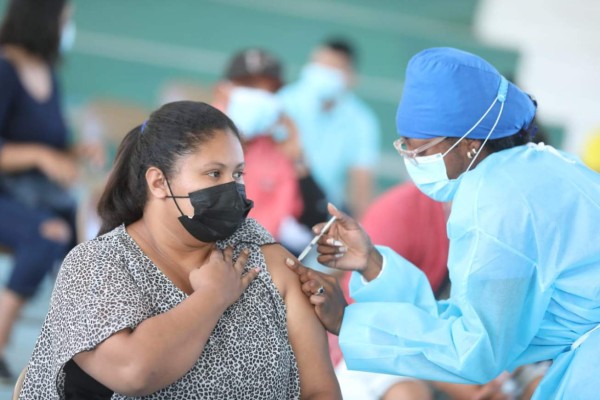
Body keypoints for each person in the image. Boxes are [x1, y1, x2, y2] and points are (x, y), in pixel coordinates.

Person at [286, 47, 600, 399]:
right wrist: (372, 263)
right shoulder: (536, 166)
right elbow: (464, 320)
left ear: (469, 145)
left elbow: (475, 350)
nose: (411, 160)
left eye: (420, 152)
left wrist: (348, 323)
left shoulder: (494, 199)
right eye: (404, 147)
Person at [17, 101, 341, 399]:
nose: (233, 189)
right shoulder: (97, 265)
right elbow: (134, 372)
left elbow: (321, 390)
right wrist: (211, 297)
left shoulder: (261, 255)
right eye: (214, 173)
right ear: (158, 183)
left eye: (238, 174)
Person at [0, 0, 84, 382]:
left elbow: (50, 145)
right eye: (65, 20)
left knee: (84, 251)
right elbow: (32, 150)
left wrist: (75, 151)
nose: (68, 28)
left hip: (34, 196)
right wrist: (39, 155)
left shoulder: (48, 70)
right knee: (48, 233)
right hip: (7, 196)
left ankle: (81, 353)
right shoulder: (4, 69)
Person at [213, 48, 328, 254]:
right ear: (222, 90)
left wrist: (298, 158)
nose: (259, 96)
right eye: (248, 86)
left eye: (268, 90)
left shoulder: (278, 148)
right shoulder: (195, 129)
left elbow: (314, 218)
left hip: (256, 262)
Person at [279, 37, 380, 219]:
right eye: (319, 64)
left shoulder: (361, 120)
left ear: (350, 77)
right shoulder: (284, 102)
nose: (322, 73)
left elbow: (361, 184)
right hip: (277, 202)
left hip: (323, 212)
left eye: (332, 67)